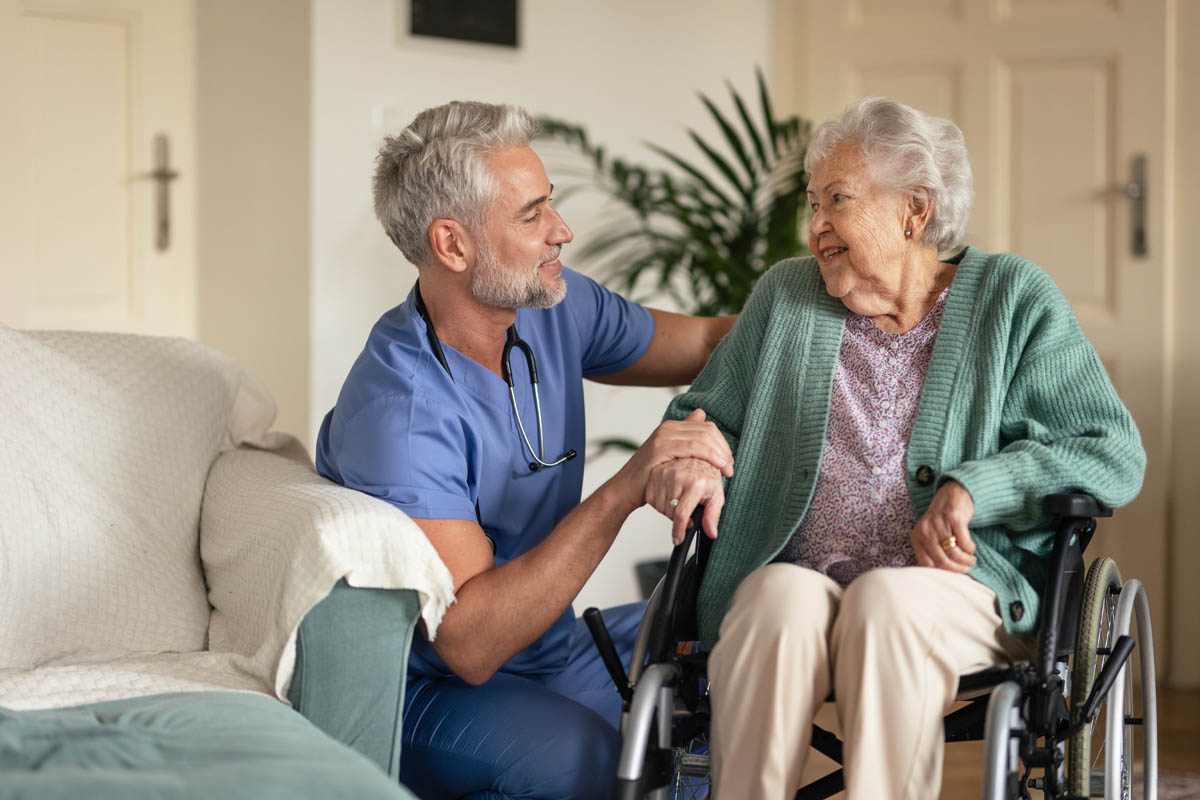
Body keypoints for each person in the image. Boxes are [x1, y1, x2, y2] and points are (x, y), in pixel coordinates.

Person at [645, 96, 1146, 799]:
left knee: (885, 602)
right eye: (813, 205)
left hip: (959, 592)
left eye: (837, 201)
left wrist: (977, 487)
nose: (816, 226)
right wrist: (696, 455)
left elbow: (1110, 450)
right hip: (802, 572)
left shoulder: (1014, 299)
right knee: (770, 599)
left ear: (915, 209)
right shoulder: (785, 297)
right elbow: (705, 414)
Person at [314, 100, 736, 800]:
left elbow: (705, 342)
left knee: (737, 646)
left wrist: (831, 303)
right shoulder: (401, 415)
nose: (562, 232)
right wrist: (632, 480)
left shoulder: (552, 307)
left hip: (550, 651)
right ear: (452, 245)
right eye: (532, 215)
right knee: (587, 761)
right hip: (426, 691)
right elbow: (470, 645)